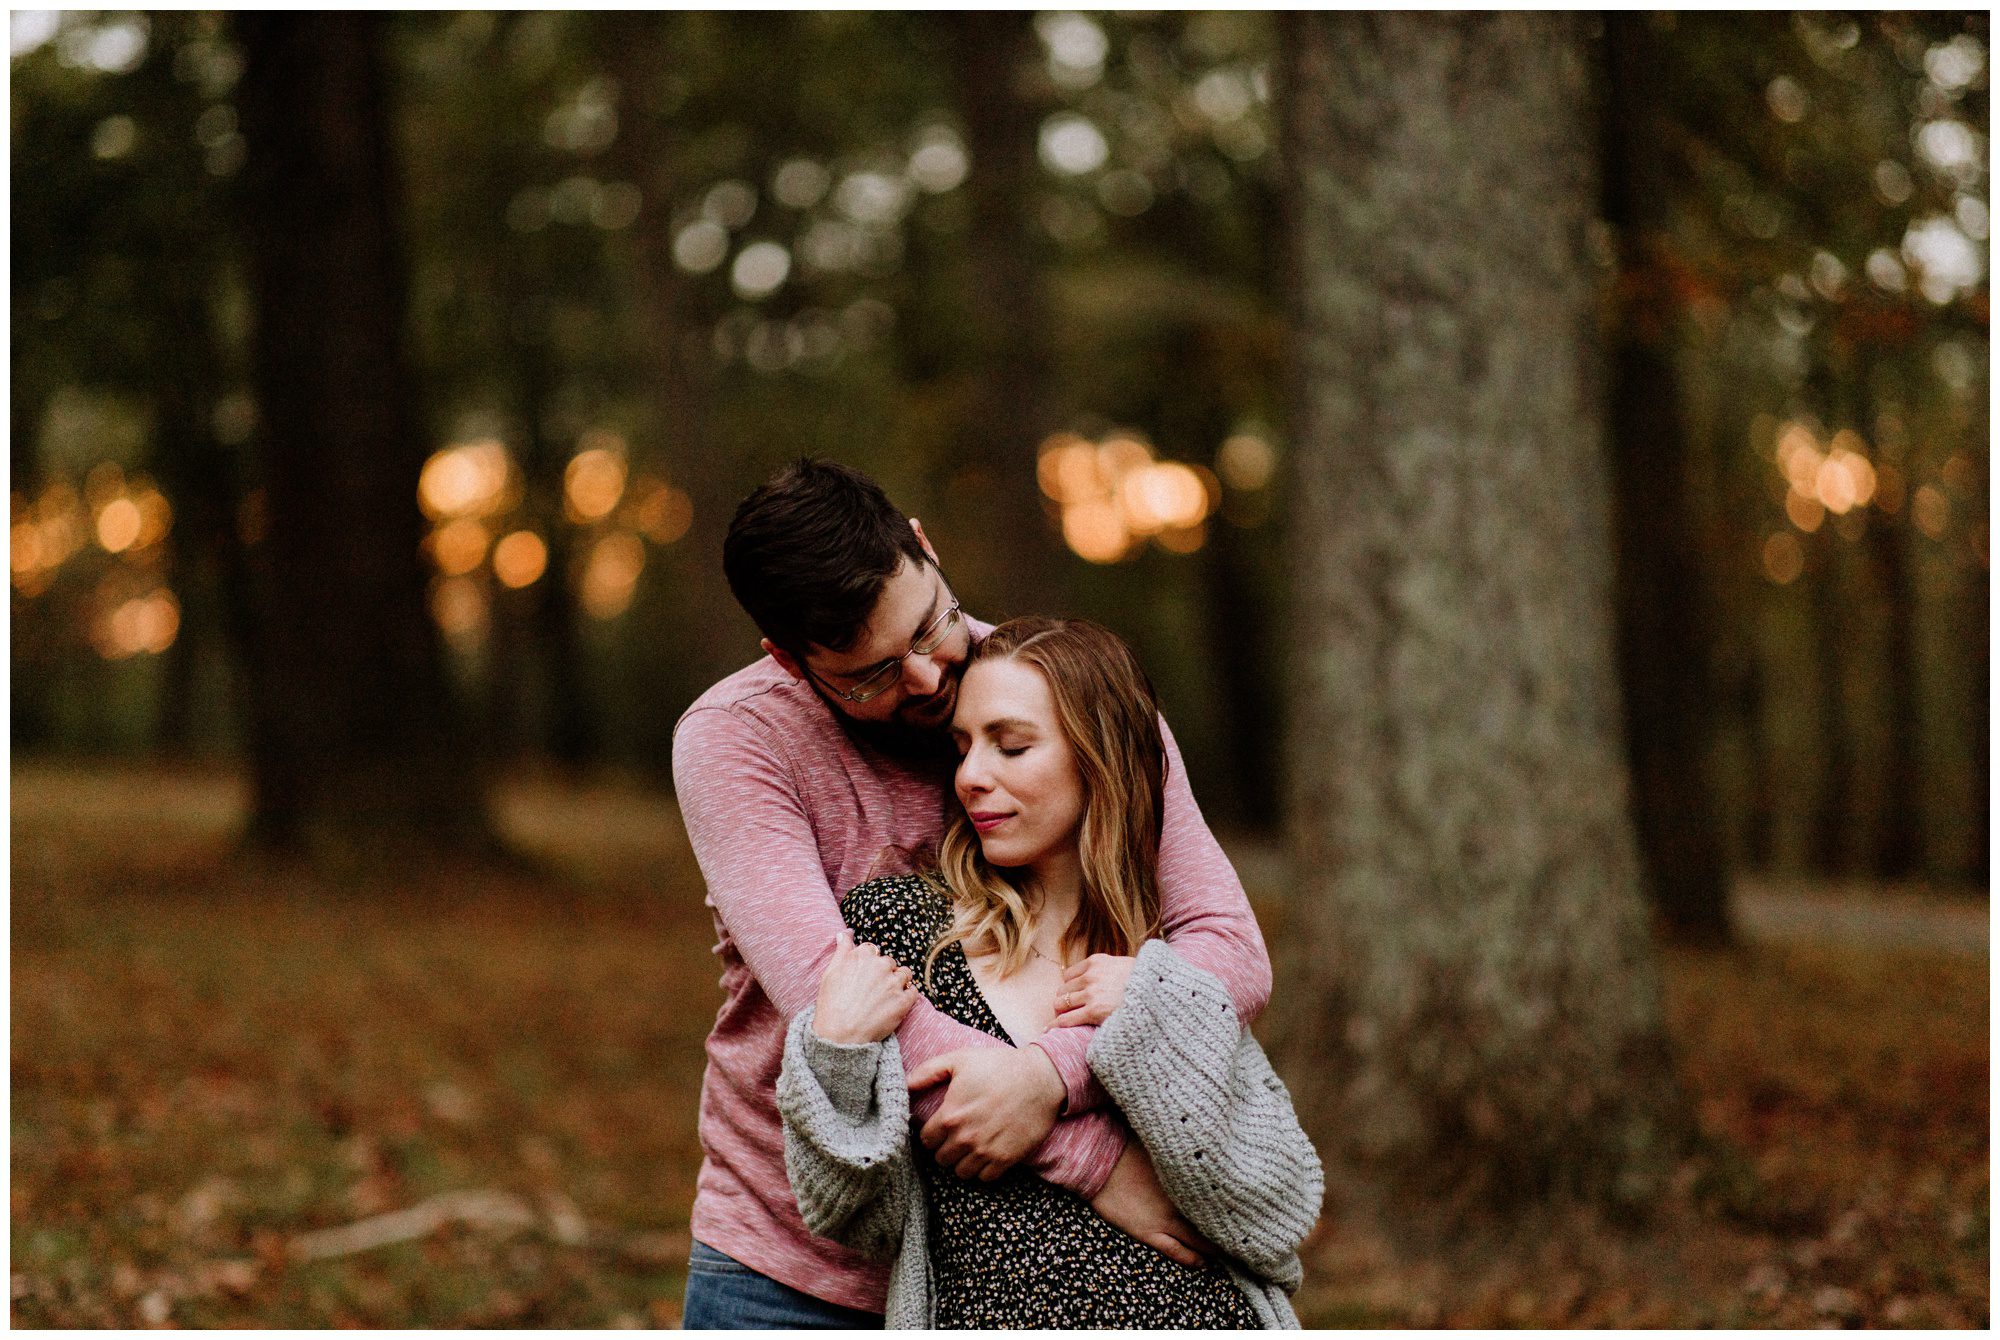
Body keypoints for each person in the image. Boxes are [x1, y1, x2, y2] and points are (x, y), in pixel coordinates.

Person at [672, 460, 1274, 1327]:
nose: (923, 680)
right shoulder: (737, 742)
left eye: (928, 628)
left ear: (924, 545)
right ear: (789, 660)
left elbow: (1228, 947)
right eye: (870, 675)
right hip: (799, 1260)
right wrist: (1093, 1156)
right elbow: (846, 1005)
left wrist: (1052, 1076)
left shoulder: (1070, 697)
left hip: (1038, 1265)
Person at [777, 617, 1322, 1327]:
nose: (971, 776)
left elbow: (1274, 1215)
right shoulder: (903, 929)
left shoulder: (1163, 963)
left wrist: (1156, 1016)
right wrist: (837, 1060)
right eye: (963, 747)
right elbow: (853, 1217)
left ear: (1099, 760)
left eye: (1012, 745)